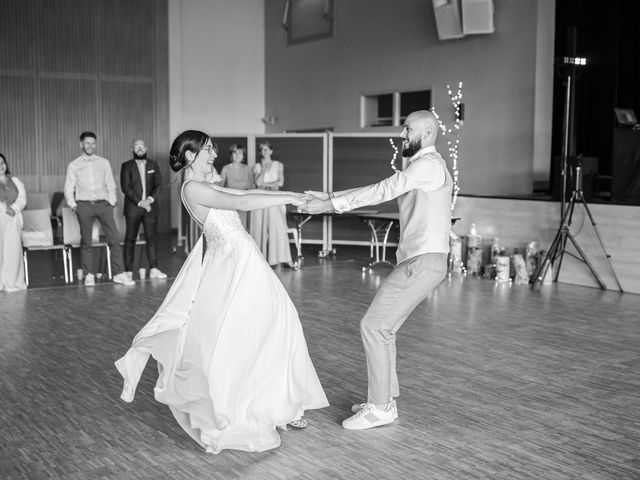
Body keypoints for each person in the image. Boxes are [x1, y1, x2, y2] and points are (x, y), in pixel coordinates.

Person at [115, 130, 328, 454]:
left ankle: (282, 404)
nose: (215, 154)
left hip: (243, 260)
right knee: (253, 332)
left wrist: (287, 195)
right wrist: (291, 197)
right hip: (234, 266)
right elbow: (242, 201)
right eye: (209, 150)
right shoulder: (193, 188)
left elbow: (243, 195)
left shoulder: (206, 183)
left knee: (276, 323)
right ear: (189, 156)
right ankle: (260, 407)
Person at [299, 110, 452, 430]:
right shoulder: (422, 166)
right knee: (380, 327)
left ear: (426, 132)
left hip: (424, 263)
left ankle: (381, 407)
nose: (402, 134)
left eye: (408, 129)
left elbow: (383, 189)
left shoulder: (428, 165)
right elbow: (381, 187)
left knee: (376, 327)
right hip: (414, 263)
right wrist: (327, 197)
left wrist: (329, 205)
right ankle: (385, 401)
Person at [64, 132, 134, 286]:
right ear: (81, 144)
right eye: (87, 143)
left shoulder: (104, 162)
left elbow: (111, 183)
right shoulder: (74, 165)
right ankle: (89, 274)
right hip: (84, 205)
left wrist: (111, 201)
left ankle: (119, 273)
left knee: (114, 238)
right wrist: (74, 205)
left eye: (93, 143)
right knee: (86, 241)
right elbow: (69, 187)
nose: (90, 146)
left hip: (103, 205)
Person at [120, 139, 167, 281]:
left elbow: (159, 185)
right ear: (133, 149)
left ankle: (153, 269)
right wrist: (141, 202)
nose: (139, 148)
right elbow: (126, 188)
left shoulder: (153, 164)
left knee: (152, 239)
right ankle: (128, 272)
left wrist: (149, 200)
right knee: (130, 240)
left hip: (150, 208)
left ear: (146, 149)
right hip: (133, 208)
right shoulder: (126, 166)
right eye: (136, 146)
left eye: (142, 146)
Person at [249, 141, 294, 267]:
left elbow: (280, 183)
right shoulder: (257, 166)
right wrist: (263, 169)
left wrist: (265, 185)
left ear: (271, 151)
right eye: (262, 150)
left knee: (279, 229)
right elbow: (257, 182)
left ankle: (284, 258)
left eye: (267, 149)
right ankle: (259, 259)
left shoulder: (278, 165)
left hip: (275, 199)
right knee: (259, 229)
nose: (265, 152)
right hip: (260, 200)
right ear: (260, 152)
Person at [0, 153, 27, 292]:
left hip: (14, 217)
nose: (1, 166)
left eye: (3, 162)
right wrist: (5, 208)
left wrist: (14, 209)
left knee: (13, 250)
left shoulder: (15, 180)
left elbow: (22, 198)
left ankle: (12, 282)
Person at [220, 144, 254, 228]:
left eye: (240, 153)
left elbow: (251, 188)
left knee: (242, 229)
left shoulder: (247, 169)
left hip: (243, 203)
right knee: (230, 229)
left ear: (243, 156)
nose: (237, 155)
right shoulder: (225, 168)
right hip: (229, 204)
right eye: (235, 152)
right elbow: (219, 188)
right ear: (231, 155)